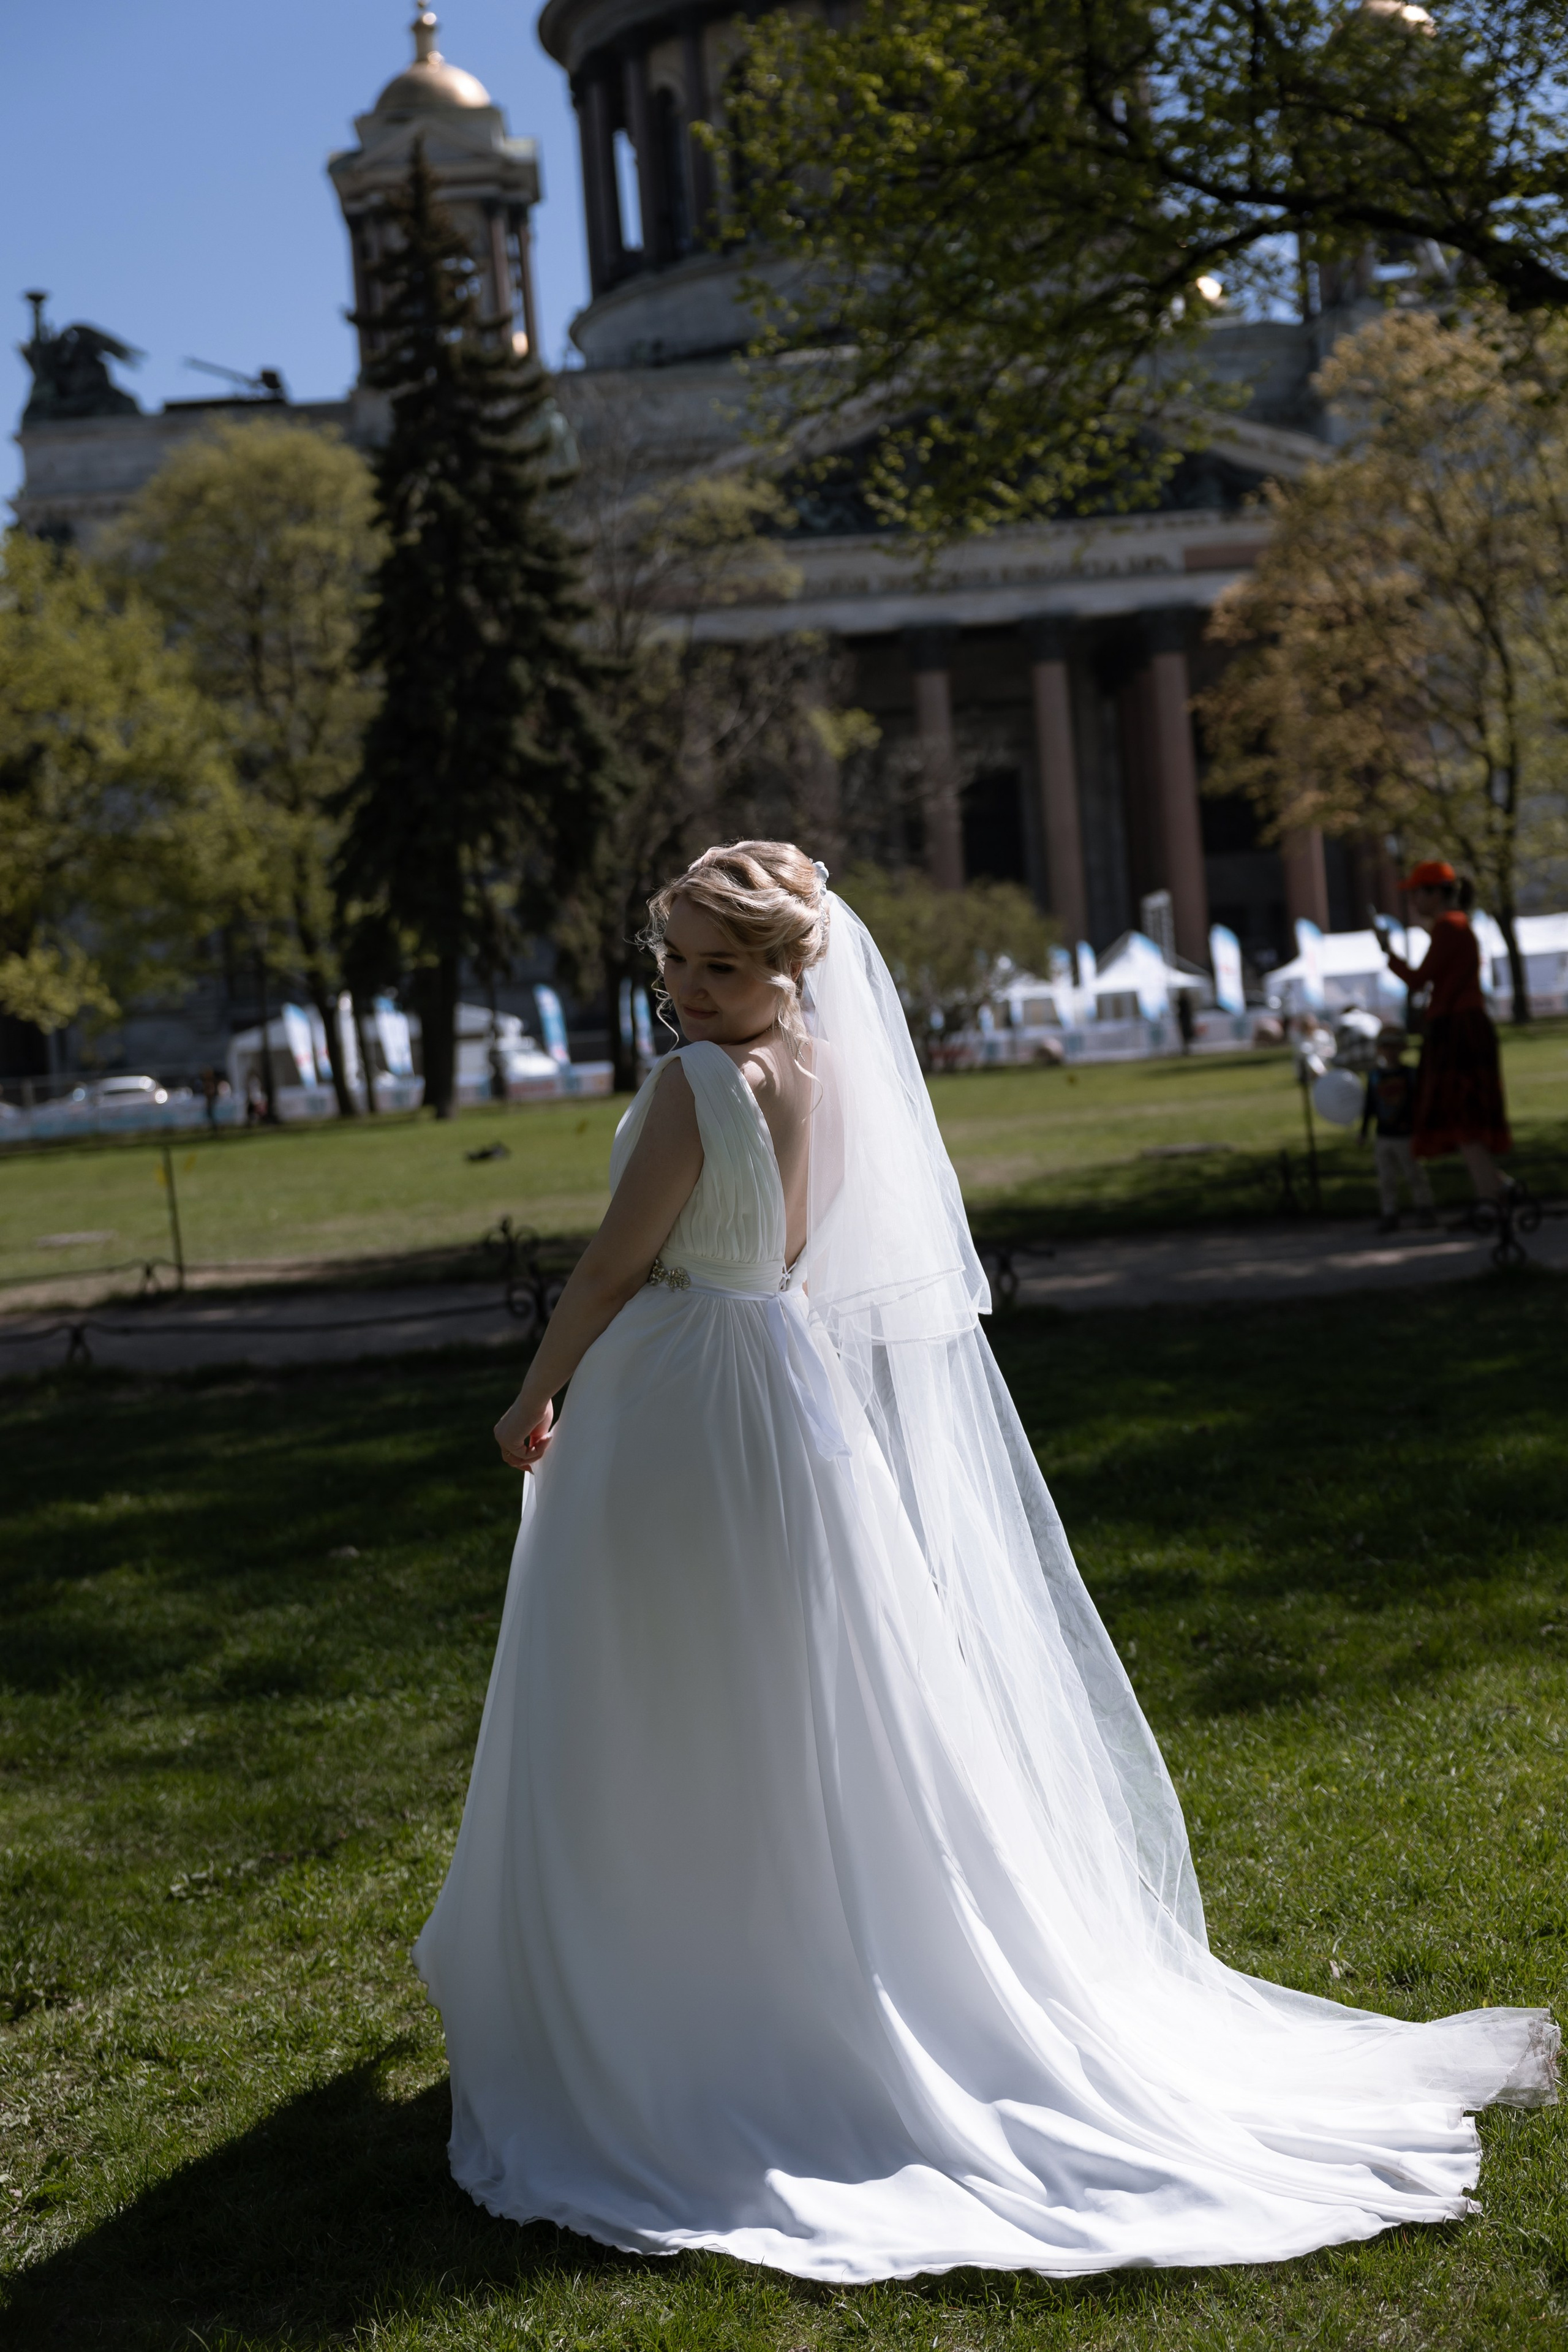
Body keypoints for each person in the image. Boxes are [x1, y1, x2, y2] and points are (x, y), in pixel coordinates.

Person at [415, 840, 1556, 2283]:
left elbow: (606, 1266)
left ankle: (674, 1974)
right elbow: (797, 1248)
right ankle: (788, 1945)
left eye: (723, 966)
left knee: (665, 1679)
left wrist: (533, 1393)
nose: (690, 990)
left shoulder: (696, 1083)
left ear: (786, 968)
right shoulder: (819, 1069)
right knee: (788, 1680)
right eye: (677, 963)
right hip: (777, 1378)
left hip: (681, 1394)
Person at [1379, 862, 1512, 1205]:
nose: (1413, 902)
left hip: (1457, 1030)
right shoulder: (1454, 926)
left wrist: (1388, 953)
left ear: (1435, 894)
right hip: (1461, 1027)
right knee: (1465, 1116)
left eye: (1416, 894)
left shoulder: (1449, 927)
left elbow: (1418, 979)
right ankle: (1497, 1188)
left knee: (1463, 1116)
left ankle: (1491, 1200)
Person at [1360, 1028, 1436, 1234]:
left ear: (1402, 1048)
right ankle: (1389, 1212)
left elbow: (1419, 1103)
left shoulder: (1410, 1075)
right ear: (1380, 1050)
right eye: (1386, 1047)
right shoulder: (1375, 1076)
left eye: (1394, 1047)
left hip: (1406, 1134)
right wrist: (1364, 1131)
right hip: (1384, 1135)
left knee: (1414, 1174)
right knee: (1386, 1178)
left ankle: (1424, 1208)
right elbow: (1370, 1106)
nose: (1390, 1052)